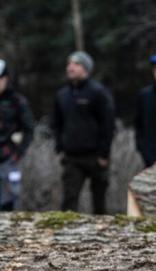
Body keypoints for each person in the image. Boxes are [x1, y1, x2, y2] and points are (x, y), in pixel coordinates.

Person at [52, 51, 115, 214]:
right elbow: (56, 124)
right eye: (69, 63)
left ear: (86, 68)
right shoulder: (62, 95)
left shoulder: (98, 92)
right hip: (72, 156)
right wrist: (59, 147)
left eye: (76, 64)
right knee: (69, 201)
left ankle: (101, 235)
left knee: (99, 203)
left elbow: (108, 124)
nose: (70, 67)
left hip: (95, 156)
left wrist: (104, 154)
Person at [0, 59, 34, 211]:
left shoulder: (17, 101)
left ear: (5, 78)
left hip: (8, 159)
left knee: (9, 202)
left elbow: (28, 129)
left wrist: (18, 153)